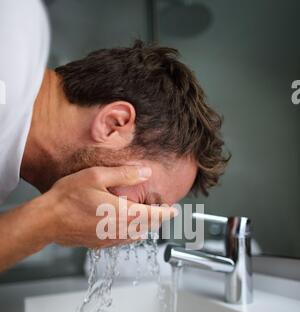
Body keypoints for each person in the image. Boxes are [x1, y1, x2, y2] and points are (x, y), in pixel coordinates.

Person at [0, 0, 228, 273]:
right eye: (145, 202)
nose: (135, 225)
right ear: (113, 124)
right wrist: (51, 219)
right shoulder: (8, 49)